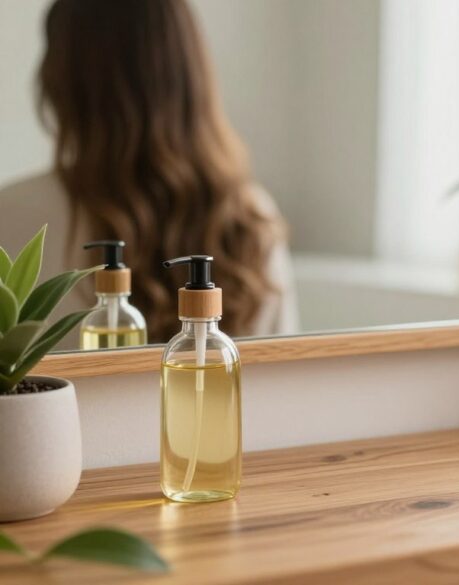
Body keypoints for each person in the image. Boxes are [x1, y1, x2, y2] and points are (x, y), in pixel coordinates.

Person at [0, 0, 299, 343]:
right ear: (193, 78)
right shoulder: (252, 218)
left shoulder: (13, 217)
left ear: (59, 82)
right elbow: (282, 375)